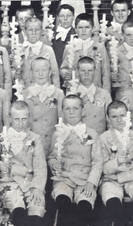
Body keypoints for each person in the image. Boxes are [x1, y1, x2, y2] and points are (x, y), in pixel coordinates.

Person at [49, 95, 103, 226]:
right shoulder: (58, 134)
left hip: (85, 180)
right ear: (62, 111)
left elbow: (97, 162)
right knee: (63, 203)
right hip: (64, 179)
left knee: (84, 207)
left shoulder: (92, 133)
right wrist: (53, 164)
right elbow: (51, 156)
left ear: (83, 111)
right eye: (67, 109)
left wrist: (91, 182)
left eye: (75, 108)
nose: (71, 112)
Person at [98, 101, 133, 226]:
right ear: (108, 119)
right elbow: (103, 168)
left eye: (122, 115)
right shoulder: (103, 138)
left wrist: (119, 177)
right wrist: (116, 162)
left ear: (128, 116)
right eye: (114, 116)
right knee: (113, 201)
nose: (119, 120)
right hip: (110, 181)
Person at [0, 101, 46, 226]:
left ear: (29, 118)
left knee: (37, 206)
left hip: (29, 181)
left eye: (24, 119)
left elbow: (40, 166)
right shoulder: (1, 137)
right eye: (16, 119)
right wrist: (0, 166)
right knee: (16, 205)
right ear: (9, 118)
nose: (20, 123)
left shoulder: (35, 138)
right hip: (9, 181)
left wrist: (38, 187)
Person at [23, 57, 65, 156]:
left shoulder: (58, 93)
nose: (40, 74)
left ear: (50, 72)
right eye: (37, 71)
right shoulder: (25, 94)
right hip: (32, 143)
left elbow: (62, 120)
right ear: (32, 73)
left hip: (52, 143)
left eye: (44, 70)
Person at [61, 13, 111, 92]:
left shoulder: (100, 47)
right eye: (80, 28)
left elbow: (106, 73)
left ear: (93, 28)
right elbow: (64, 68)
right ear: (75, 29)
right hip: (76, 90)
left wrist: (106, 93)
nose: (84, 31)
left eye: (87, 27)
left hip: (95, 90)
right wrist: (67, 74)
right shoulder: (70, 47)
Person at [72, 56, 112, 135]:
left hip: (99, 139)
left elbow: (110, 121)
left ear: (95, 72)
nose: (86, 74)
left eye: (90, 71)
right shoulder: (72, 94)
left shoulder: (104, 94)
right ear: (77, 72)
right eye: (83, 71)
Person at [20, 17, 60, 88]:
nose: (34, 33)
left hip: (45, 90)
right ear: (25, 32)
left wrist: (56, 92)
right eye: (30, 30)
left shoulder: (48, 50)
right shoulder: (20, 50)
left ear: (41, 31)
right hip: (26, 90)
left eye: (37, 30)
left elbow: (55, 73)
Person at [52, 4, 77, 74]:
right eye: (62, 16)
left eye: (68, 16)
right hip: (55, 72)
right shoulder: (52, 35)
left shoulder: (77, 35)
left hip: (71, 73)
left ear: (73, 17)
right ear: (58, 18)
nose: (65, 19)